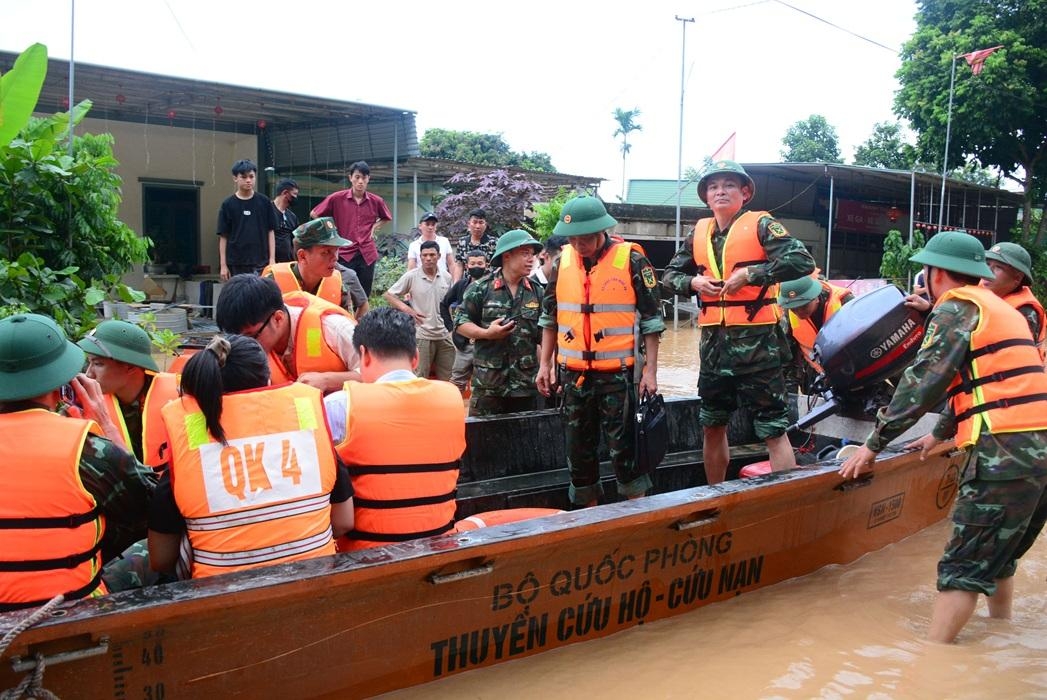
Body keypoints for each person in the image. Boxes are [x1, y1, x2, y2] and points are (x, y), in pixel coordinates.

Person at [839, 230, 1047, 644]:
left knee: (961, 568)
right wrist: (937, 434)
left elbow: (921, 384)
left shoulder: (957, 307)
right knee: (998, 556)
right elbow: (989, 382)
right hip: (1037, 444)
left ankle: (934, 664)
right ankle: (1000, 636)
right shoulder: (997, 308)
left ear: (935, 273)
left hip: (1003, 449)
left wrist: (872, 444)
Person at [148, 335, 355, 578]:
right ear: (267, 381)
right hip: (313, 590)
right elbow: (343, 522)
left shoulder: (187, 458)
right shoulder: (312, 437)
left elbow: (161, 560)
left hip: (223, 604)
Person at [662, 160, 815, 484]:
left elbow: (801, 260)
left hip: (759, 347)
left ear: (744, 192)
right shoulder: (698, 233)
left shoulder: (761, 225)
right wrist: (693, 284)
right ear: (706, 196)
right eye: (714, 187)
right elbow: (669, 276)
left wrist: (752, 274)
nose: (720, 191)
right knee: (712, 423)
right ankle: (714, 494)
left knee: (773, 429)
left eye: (729, 185)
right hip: (714, 348)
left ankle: (785, 502)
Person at [0, 313, 157, 610]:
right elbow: (153, 503)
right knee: (161, 544)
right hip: (69, 612)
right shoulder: (86, 448)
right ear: (59, 382)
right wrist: (106, 426)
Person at [536, 196, 664, 507]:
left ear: (602, 231)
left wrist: (650, 372)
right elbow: (549, 318)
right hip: (574, 376)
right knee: (578, 453)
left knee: (626, 453)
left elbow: (652, 321)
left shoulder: (632, 260)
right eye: (573, 239)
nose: (579, 245)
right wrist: (545, 365)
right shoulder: (560, 263)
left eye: (585, 238)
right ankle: (587, 517)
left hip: (618, 378)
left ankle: (635, 516)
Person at [323, 308, 466, 551]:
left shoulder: (339, 405)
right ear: (416, 358)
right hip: (438, 547)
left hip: (365, 558)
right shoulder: (452, 398)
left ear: (364, 355)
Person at [215, 274, 359, 393]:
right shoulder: (244, 340)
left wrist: (328, 381)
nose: (244, 345)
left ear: (278, 318)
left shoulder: (333, 327)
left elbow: (379, 376)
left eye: (251, 337)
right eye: (236, 338)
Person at [455, 230, 544, 415]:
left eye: (532, 255)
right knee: (484, 441)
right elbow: (460, 323)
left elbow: (544, 334)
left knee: (524, 441)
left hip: (525, 385)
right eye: (525, 253)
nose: (531, 259)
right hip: (489, 385)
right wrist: (487, 333)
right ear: (507, 255)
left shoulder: (536, 291)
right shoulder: (481, 288)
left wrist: (547, 367)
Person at [77, 320, 179, 467]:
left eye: (98, 364)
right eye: (89, 363)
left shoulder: (181, 396)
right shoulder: (85, 404)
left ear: (130, 367)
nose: (88, 374)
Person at [309, 160, 392, 297]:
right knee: (342, 293)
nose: (360, 181)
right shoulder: (337, 198)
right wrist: (331, 232)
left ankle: (362, 318)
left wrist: (374, 227)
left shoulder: (376, 201)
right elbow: (314, 214)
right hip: (345, 253)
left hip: (367, 253)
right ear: (350, 178)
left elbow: (386, 217)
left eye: (364, 178)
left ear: (368, 179)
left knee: (364, 295)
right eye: (357, 177)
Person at [263, 217, 370, 319]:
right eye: (326, 252)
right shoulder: (272, 283)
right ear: (302, 256)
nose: (335, 258)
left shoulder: (340, 285)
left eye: (336, 250)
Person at [384, 240, 455, 381]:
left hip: (444, 336)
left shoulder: (446, 277)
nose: (428, 258)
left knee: (448, 380)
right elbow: (389, 294)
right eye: (425, 255)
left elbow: (448, 306)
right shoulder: (412, 276)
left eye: (432, 255)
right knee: (419, 379)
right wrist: (407, 309)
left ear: (439, 256)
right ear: (420, 257)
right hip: (422, 336)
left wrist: (452, 330)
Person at [777, 275, 854, 375]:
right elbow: (789, 356)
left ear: (816, 297)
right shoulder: (788, 314)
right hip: (816, 372)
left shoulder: (845, 302)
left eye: (804, 306)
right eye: (793, 308)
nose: (799, 312)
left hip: (850, 369)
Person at [217, 158, 278, 280]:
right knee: (239, 297)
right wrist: (223, 265)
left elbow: (271, 231)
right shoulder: (228, 204)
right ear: (235, 178)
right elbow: (223, 236)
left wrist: (272, 259)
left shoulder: (264, 202)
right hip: (236, 262)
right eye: (244, 177)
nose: (248, 180)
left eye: (251, 176)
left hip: (261, 261)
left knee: (260, 296)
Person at [983, 242, 1045, 361]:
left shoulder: (1024, 312)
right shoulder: (982, 294)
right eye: (987, 264)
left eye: (998, 267)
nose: (987, 272)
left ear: (1017, 278)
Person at [441, 249, 488, 395]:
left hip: (486, 344)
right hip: (464, 344)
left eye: (480, 263)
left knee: (484, 384)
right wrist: (451, 328)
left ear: (487, 265)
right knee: (456, 383)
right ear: (467, 266)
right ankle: (452, 414)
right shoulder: (461, 285)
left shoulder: (493, 285)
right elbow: (444, 304)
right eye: (472, 263)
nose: (476, 266)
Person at [453, 208, 498, 282]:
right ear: (469, 224)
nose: (477, 226)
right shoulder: (462, 242)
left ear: (485, 224)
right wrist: (456, 285)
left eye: (481, 222)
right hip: (468, 284)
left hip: (488, 284)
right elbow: (459, 265)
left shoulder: (494, 243)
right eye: (474, 222)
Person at [407, 212, 454, 277]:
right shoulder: (414, 245)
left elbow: (451, 264)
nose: (430, 227)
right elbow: (411, 268)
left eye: (433, 224)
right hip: (422, 282)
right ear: (420, 226)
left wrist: (455, 283)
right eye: (427, 224)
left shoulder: (444, 241)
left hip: (442, 281)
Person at [271, 178, 300, 263]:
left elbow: (295, 240)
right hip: (268, 262)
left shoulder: (292, 217)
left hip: (286, 263)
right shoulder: (267, 211)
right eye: (294, 194)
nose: (296, 197)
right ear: (285, 193)